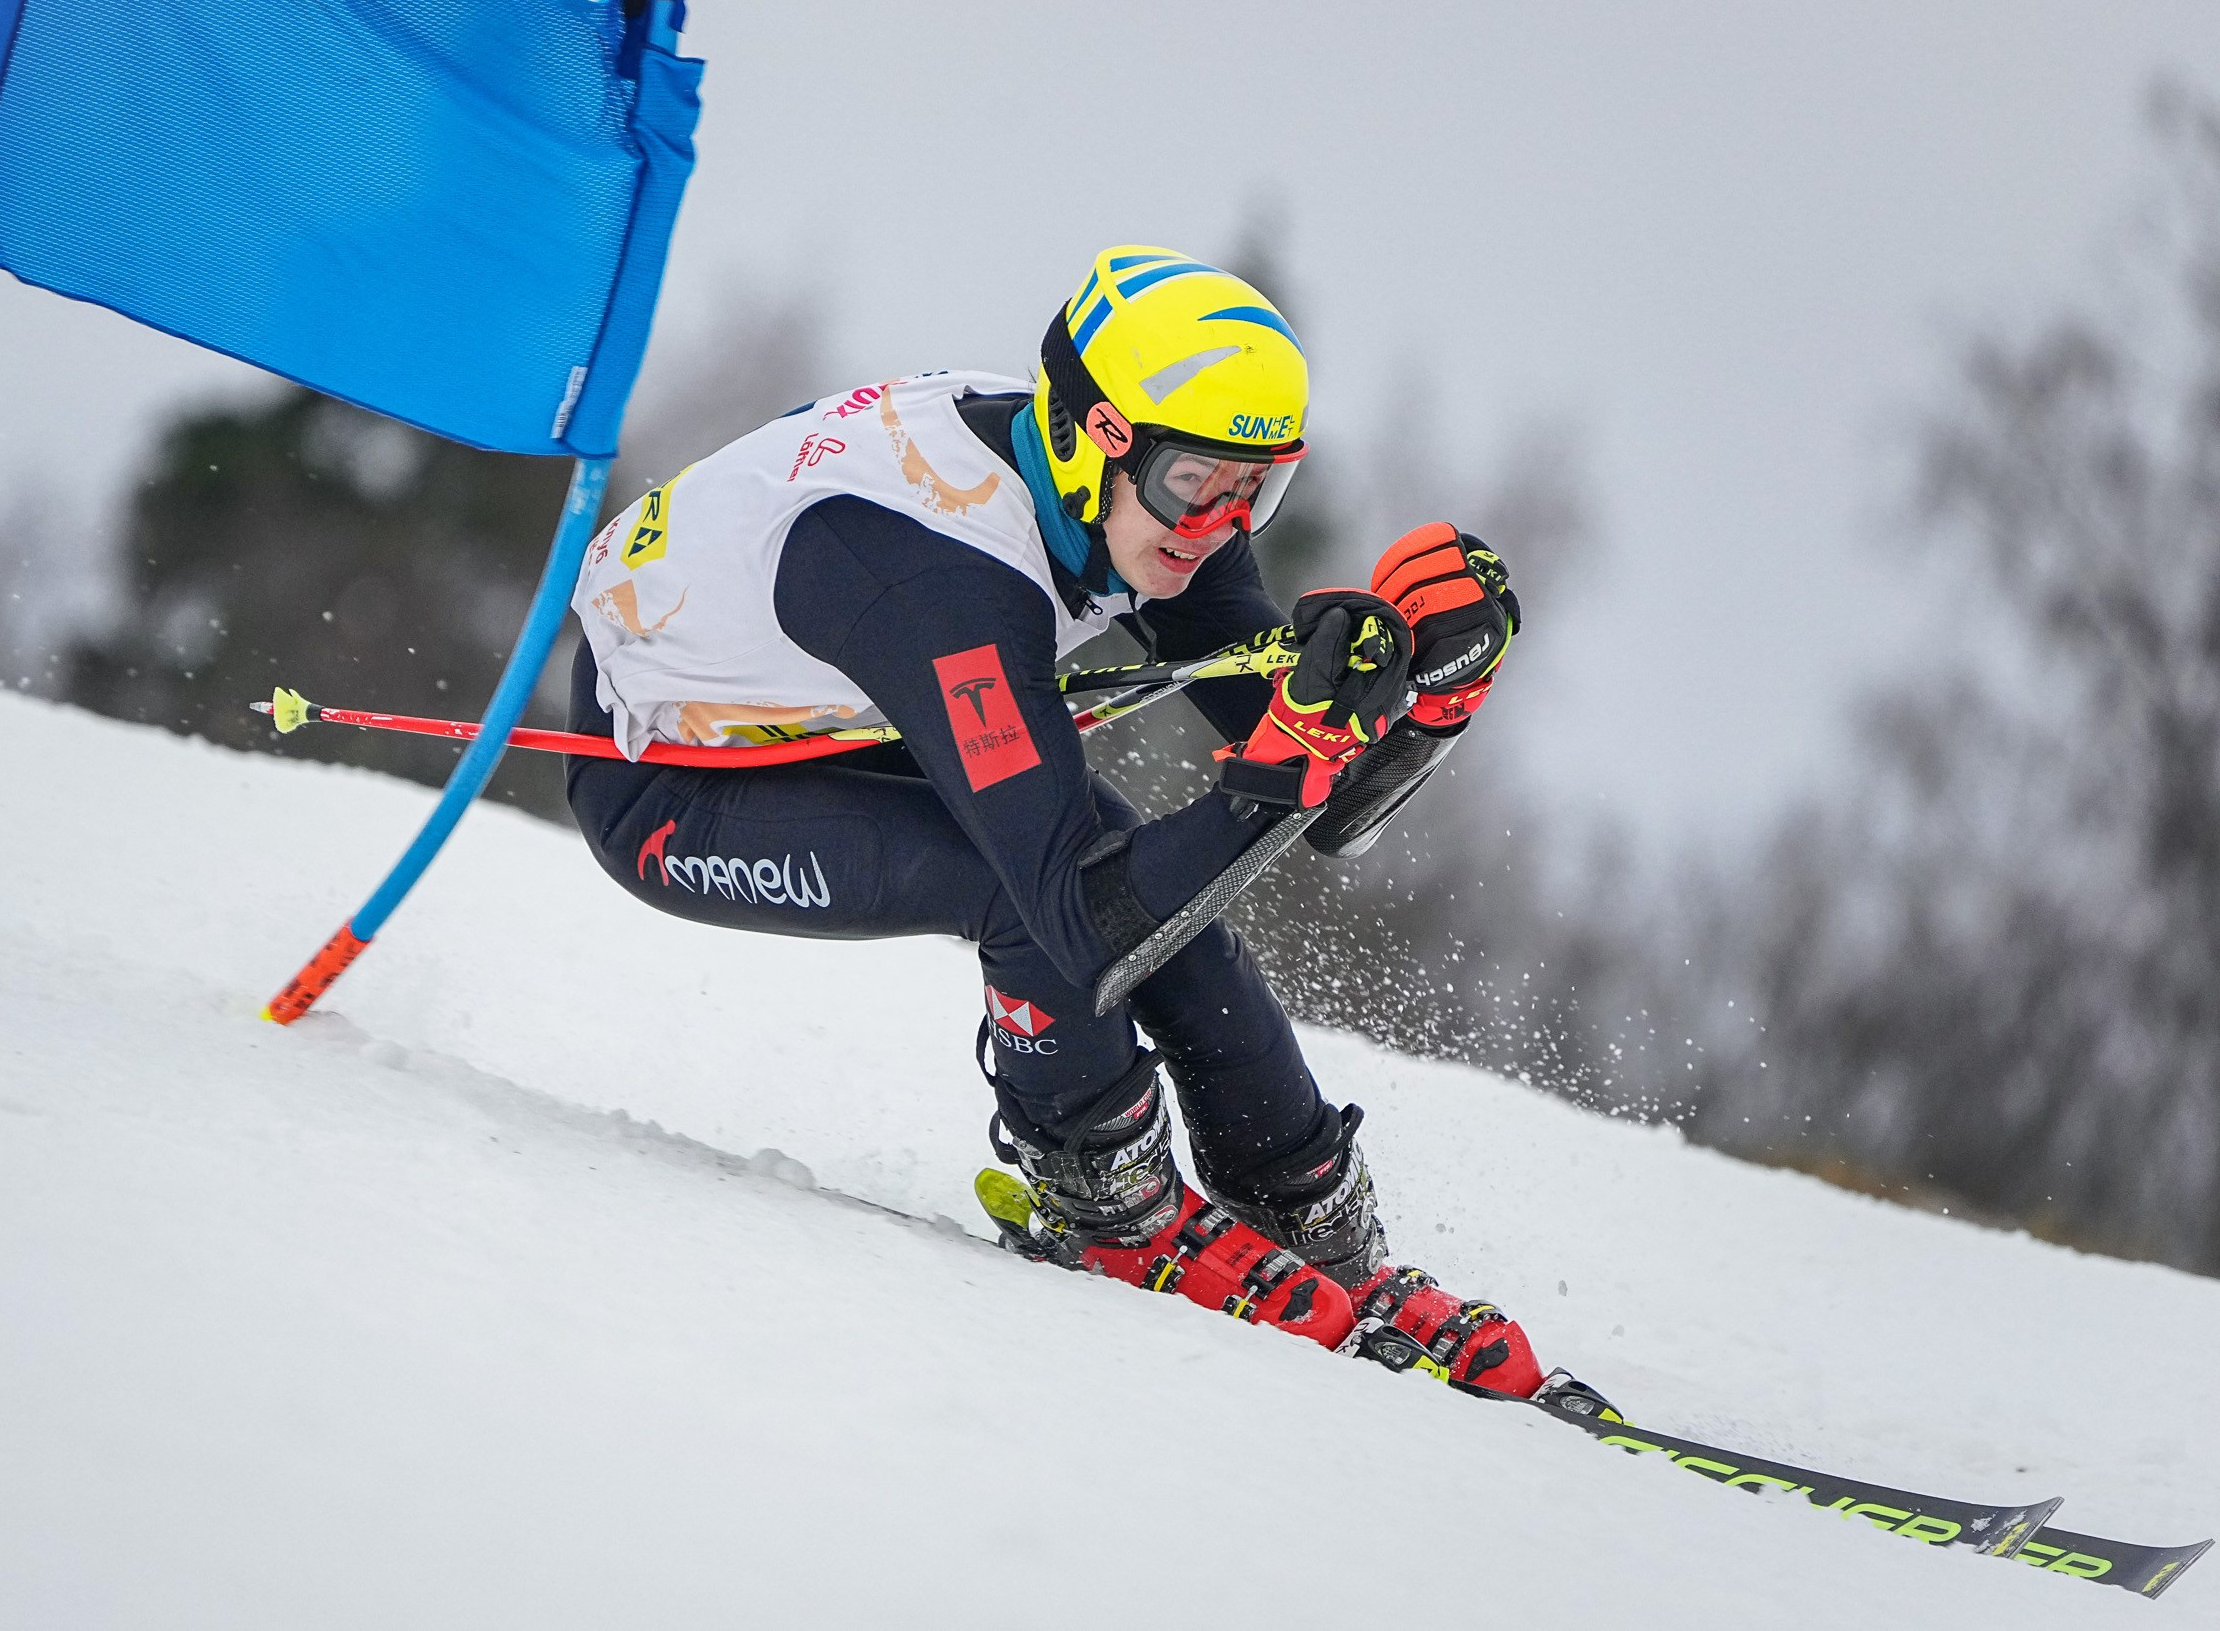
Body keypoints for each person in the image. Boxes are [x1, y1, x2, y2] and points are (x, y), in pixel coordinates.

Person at [566, 246, 1602, 1411]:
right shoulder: (941, 581)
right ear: (1093, 435)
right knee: (1029, 884)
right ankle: (1107, 1207)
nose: (1219, 526)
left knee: (1142, 868)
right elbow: (1085, 919)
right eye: (1198, 485)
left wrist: (1415, 699)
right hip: (670, 785)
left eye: (1257, 490)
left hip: (835, 716)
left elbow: (1320, 810)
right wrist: (1279, 772)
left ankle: (1303, 1206)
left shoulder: (1148, 498)